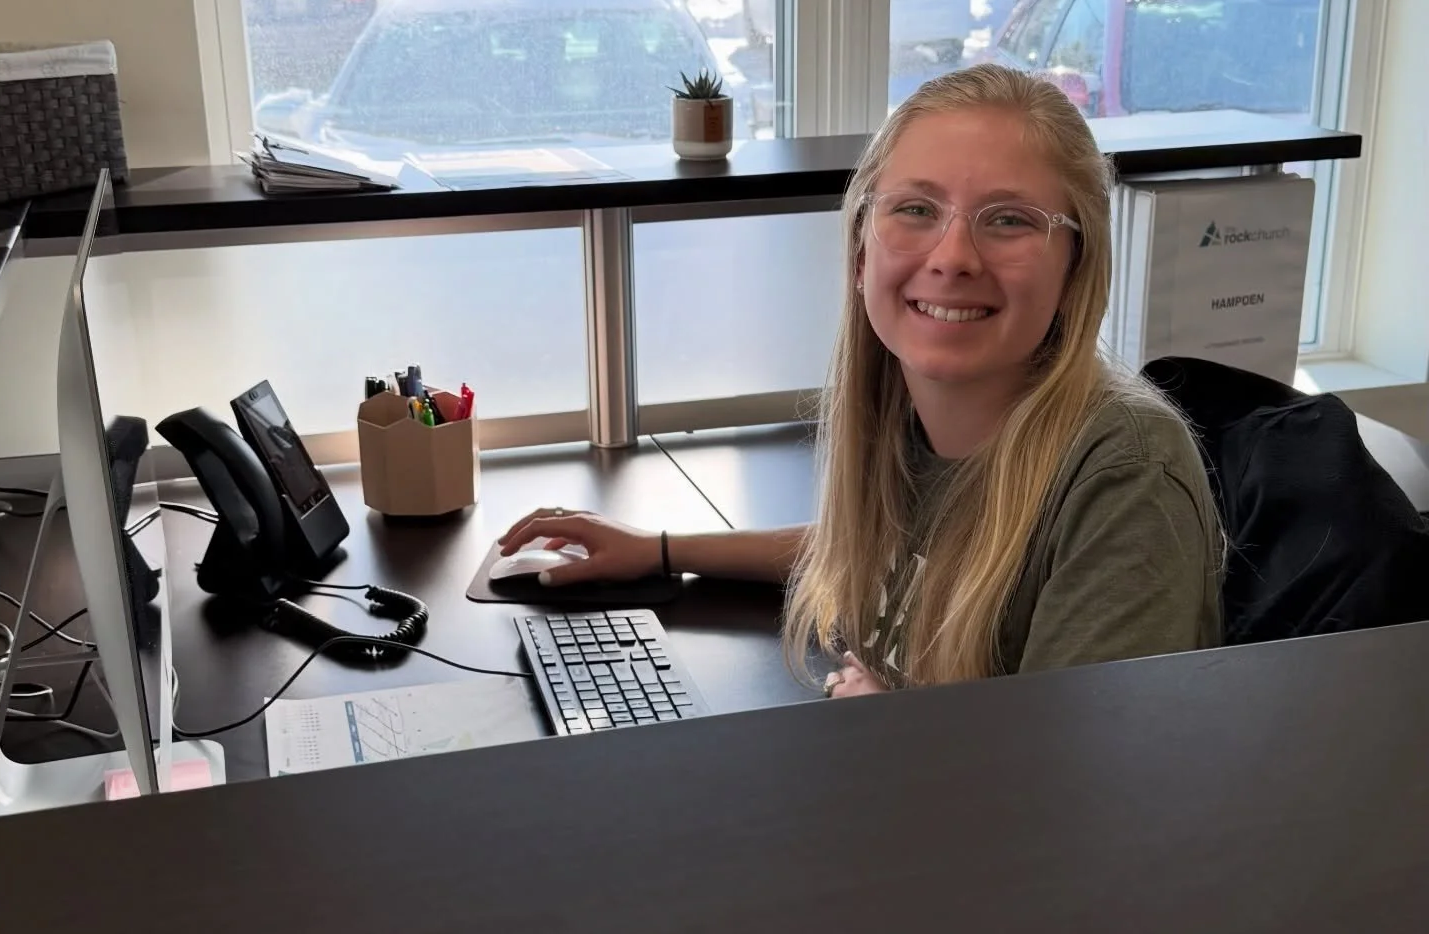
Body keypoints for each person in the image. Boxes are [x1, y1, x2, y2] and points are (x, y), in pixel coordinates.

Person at [498, 64, 1223, 697]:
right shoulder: (914, 412)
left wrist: (897, 735)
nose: (953, 255)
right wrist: (662, 550)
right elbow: (870, 550)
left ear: (1075, 269)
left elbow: (1092, 803)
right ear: (859, 251)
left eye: (1009, 220)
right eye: (915, 208)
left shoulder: (1128, 474)